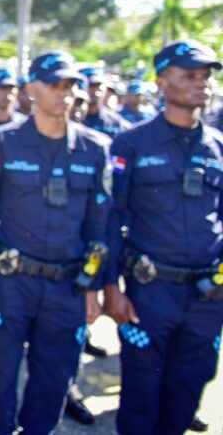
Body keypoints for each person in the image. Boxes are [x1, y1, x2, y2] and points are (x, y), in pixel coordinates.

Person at [0, 51, 110, 435]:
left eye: (70, 86)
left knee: (54, 380)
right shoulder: (0, 144)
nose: (64, 93)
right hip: (10, 284)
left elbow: (100, 225)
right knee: (0, 378)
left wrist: (94, 285)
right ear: (31, 88)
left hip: (67, 286)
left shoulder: (95, 149)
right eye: (54, 84)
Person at [104, 39, 223, 435]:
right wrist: (110, 286)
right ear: (161, 82)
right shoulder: (131, 144)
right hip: (151, 292)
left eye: (205, 77)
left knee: (187, 391)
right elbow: (111, 219)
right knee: (141, 395)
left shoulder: (218, 147)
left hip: (207, 296)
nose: (201, 84)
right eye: (189, 76)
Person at [81, 66, 132, 138]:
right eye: (91, 85)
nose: (95, 90)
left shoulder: (114, 122)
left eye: (98, 85)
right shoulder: (72, 118)